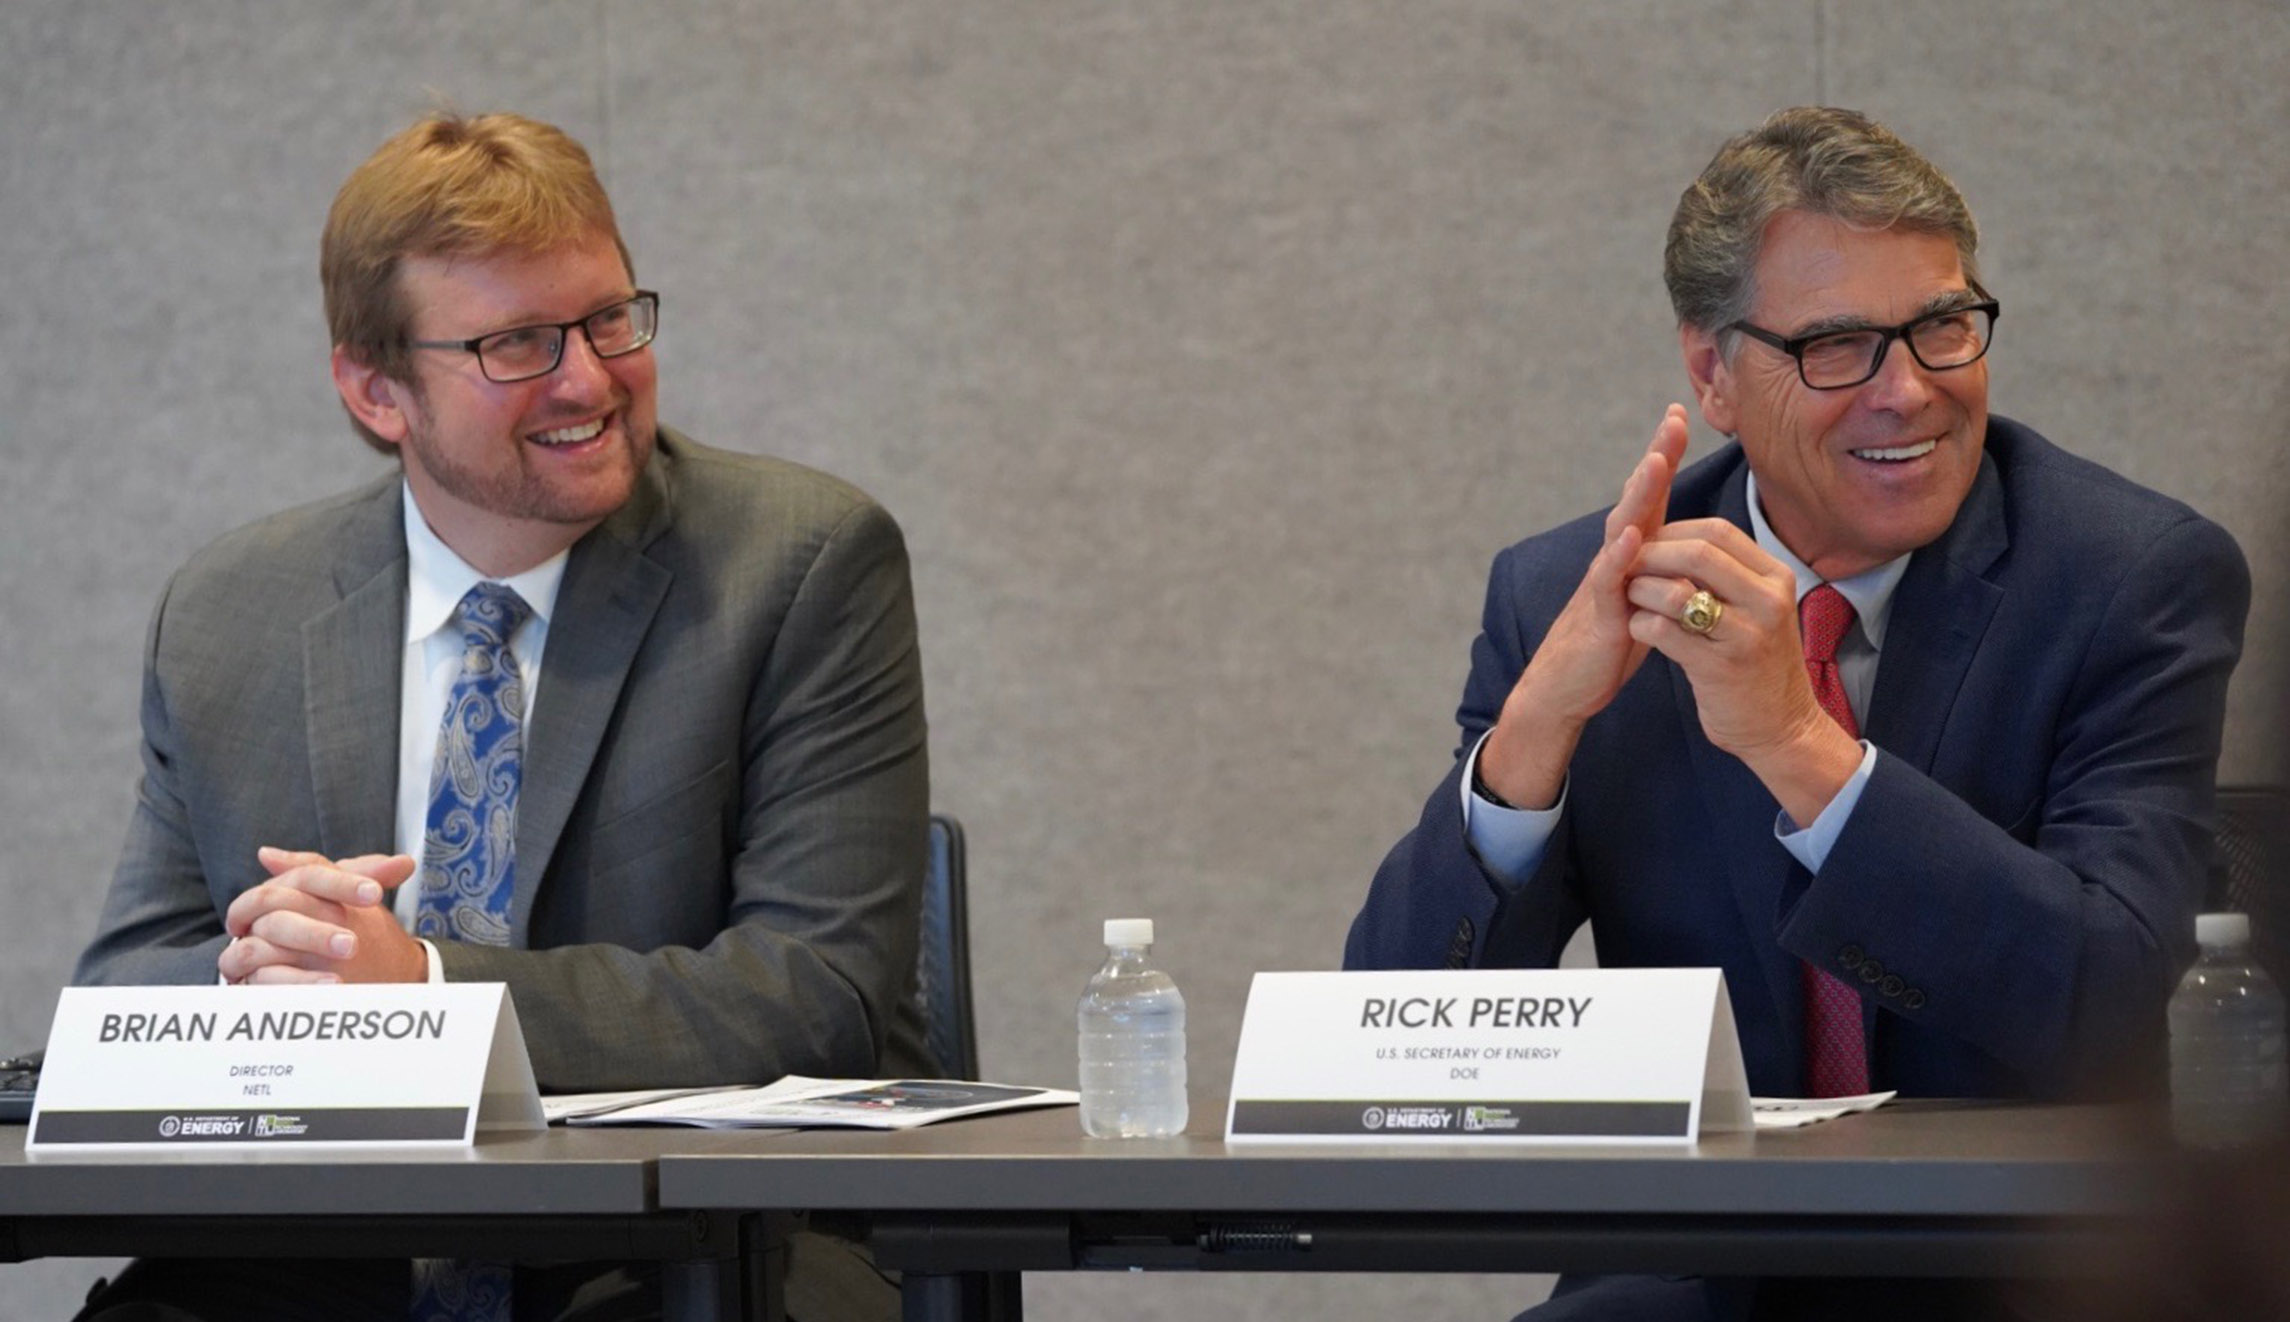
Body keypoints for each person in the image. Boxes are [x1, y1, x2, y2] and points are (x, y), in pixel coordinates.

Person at [1346, 106, 2248, 1320]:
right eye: (1838, 347)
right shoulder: (1583, 589)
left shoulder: (2124, 580)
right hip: (1694, 1275)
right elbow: (1391, 1047)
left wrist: (1797, 742)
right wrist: (1527, 748)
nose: (1908, 391)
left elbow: (2108, 996)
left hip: (2032, 1271)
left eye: (1941, 326)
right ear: (1713, 375)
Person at [71, 111, 927, 1321]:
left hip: (693, 1238)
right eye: (517, 344)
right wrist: (285, 967)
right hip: (326, 1250)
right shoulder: (229, 613)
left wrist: (421, 987)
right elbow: (123, 996)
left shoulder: (798, 567)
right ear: (378, 391)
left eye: (609, 319)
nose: (589, 377)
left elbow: (815, 991)